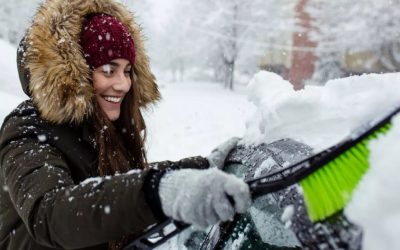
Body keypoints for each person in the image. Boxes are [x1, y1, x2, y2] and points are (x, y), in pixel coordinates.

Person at [0, 0, 251, 249]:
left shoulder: (102, 125)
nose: (123, 84)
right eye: (109, 70)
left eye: (127, 70)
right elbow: (51, 214)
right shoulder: (27, 130)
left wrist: (199, 167)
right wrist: (158, 192)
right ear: (75, 73)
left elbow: (116, 183)